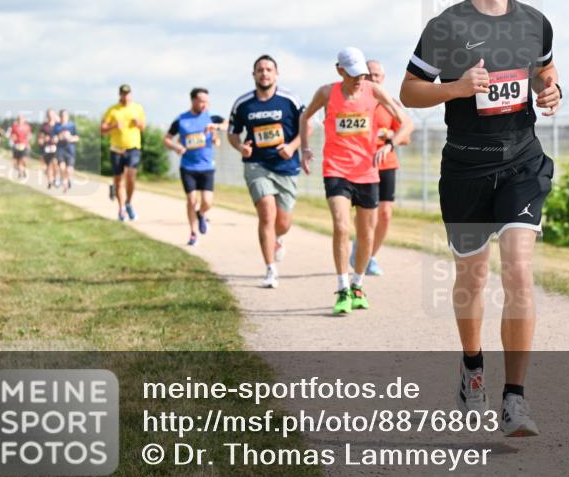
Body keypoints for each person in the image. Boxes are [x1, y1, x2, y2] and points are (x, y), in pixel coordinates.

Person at [399, 0, 562, 437]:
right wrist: (456, 87)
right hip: (467, 167)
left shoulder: (536, 23)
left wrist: (553, 92)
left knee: (517, 268)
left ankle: (515, 398)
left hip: (521, 163)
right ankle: (473, 367)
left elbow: (546, 73)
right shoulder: (445, 28)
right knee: (471, 277)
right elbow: (409, 92)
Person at [300, 47, 408, 315]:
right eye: (353, 74)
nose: (360, 79)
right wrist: (304, 148)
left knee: (366, 234)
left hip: (368, 172)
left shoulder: (374, 91)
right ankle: (342, 287)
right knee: (341, 225)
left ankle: (358, 285)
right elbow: (305, 116)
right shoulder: (327, 92)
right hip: (336, 169)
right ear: (340, 71)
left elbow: (406, 122)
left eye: (362, 73)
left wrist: (390, 144)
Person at [228, 55, 304, 289]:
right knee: (267, 214)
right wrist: (240, 146)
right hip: (256, 165)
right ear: (254, 75)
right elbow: (232, 132)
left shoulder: (289, 100)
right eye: (260, 70)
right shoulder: (243, 104)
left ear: (276, 74)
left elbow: (306, 126)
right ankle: (270, 269)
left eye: (269, 69)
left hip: (286, 166)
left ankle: (278, 238)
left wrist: (291, 147)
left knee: (283, 222)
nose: (264, 73)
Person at [350, 60, 414, 276]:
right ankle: (360, 246)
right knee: (366, 215)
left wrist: (390, 138)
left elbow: (406, 138)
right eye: (369, 75)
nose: (373, 79)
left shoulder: (392, 105)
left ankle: (370, 257)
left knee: (385, 215)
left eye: (377, 75)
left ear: (383, 79)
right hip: (361, 166)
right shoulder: (354, 102)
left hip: (386, 164)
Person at [164, 88, 225, 246]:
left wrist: (216, 127)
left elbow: (229, 124)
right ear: (193, 101)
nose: (205, 104)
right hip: (188, 167)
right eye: (201, 101)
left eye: (207, 101)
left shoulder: (211, 117)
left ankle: (201, 213)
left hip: (207, 166)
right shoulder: (182, 120)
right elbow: (167, 139)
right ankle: (193, 233)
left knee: (207, 202)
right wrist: (176, 147)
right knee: (191, 199)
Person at [101, 84, 146, 221]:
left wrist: (138, 123)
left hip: (133, 148)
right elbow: (102, 129)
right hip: (116, 148)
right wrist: (114, 125)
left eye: (127, 94)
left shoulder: (138, 108)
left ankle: (128, 203)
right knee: (119, 180)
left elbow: (143, 127)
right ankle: (121, 209)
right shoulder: (112, 110)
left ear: (131, 95)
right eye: (123, 94)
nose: (125, 96)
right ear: (119, 95)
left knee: (131, 177)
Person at [53, 109, 79, 193]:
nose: (63, 117)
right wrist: (58, 138)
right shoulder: (56, 126)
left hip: (70, 150)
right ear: (60, 116)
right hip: (60, 150)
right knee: (61, 167)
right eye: (62, 116)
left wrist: (69, 138)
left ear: (68, 116)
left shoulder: (72, 126)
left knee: (69, 170)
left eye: (65, 115)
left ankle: (67, 179)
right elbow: (54, 138)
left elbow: (77, 138)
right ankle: (65, 186)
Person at [37, 109, 59, 188]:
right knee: (49, 165)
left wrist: (58, 138)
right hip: (47, 148)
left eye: (52, 114)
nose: (50, 116)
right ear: (47, 116)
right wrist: (42, 140)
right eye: (49, 115)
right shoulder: (44, 126)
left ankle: (54, 179)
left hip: (57, 148)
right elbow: (40, 137)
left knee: (55, 164)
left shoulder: (58, 125)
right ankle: (50, 180)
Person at [8, 114, 33, 179]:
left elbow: (29, 135)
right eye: (19, 119)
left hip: (25, 145)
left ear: (24, 119)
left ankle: (23, 169)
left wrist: (29, 141)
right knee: (18, 161)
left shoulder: (27, 126)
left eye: (21, 118)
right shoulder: (14, 126)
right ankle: (20, 173)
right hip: (16, 145)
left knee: (24, 160)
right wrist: (13, 137)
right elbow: (11, 135)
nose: (20, 120)